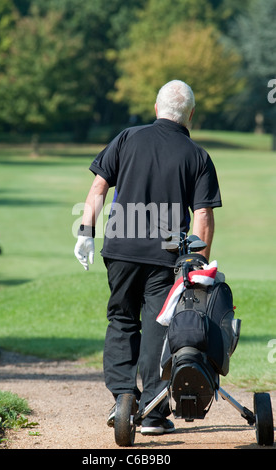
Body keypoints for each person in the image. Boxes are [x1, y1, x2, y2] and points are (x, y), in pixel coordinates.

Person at [74, 80, 222, 435]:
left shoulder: (127, 137)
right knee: (159, 325)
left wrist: (85, 232)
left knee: (122, 320)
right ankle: (153, 413)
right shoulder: (197, 156)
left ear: (156, 109)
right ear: (191, 115)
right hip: (166, 250)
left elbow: (98, 188)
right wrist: (198, 264)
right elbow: (202, 217)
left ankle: (123, 400)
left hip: (121, 244)